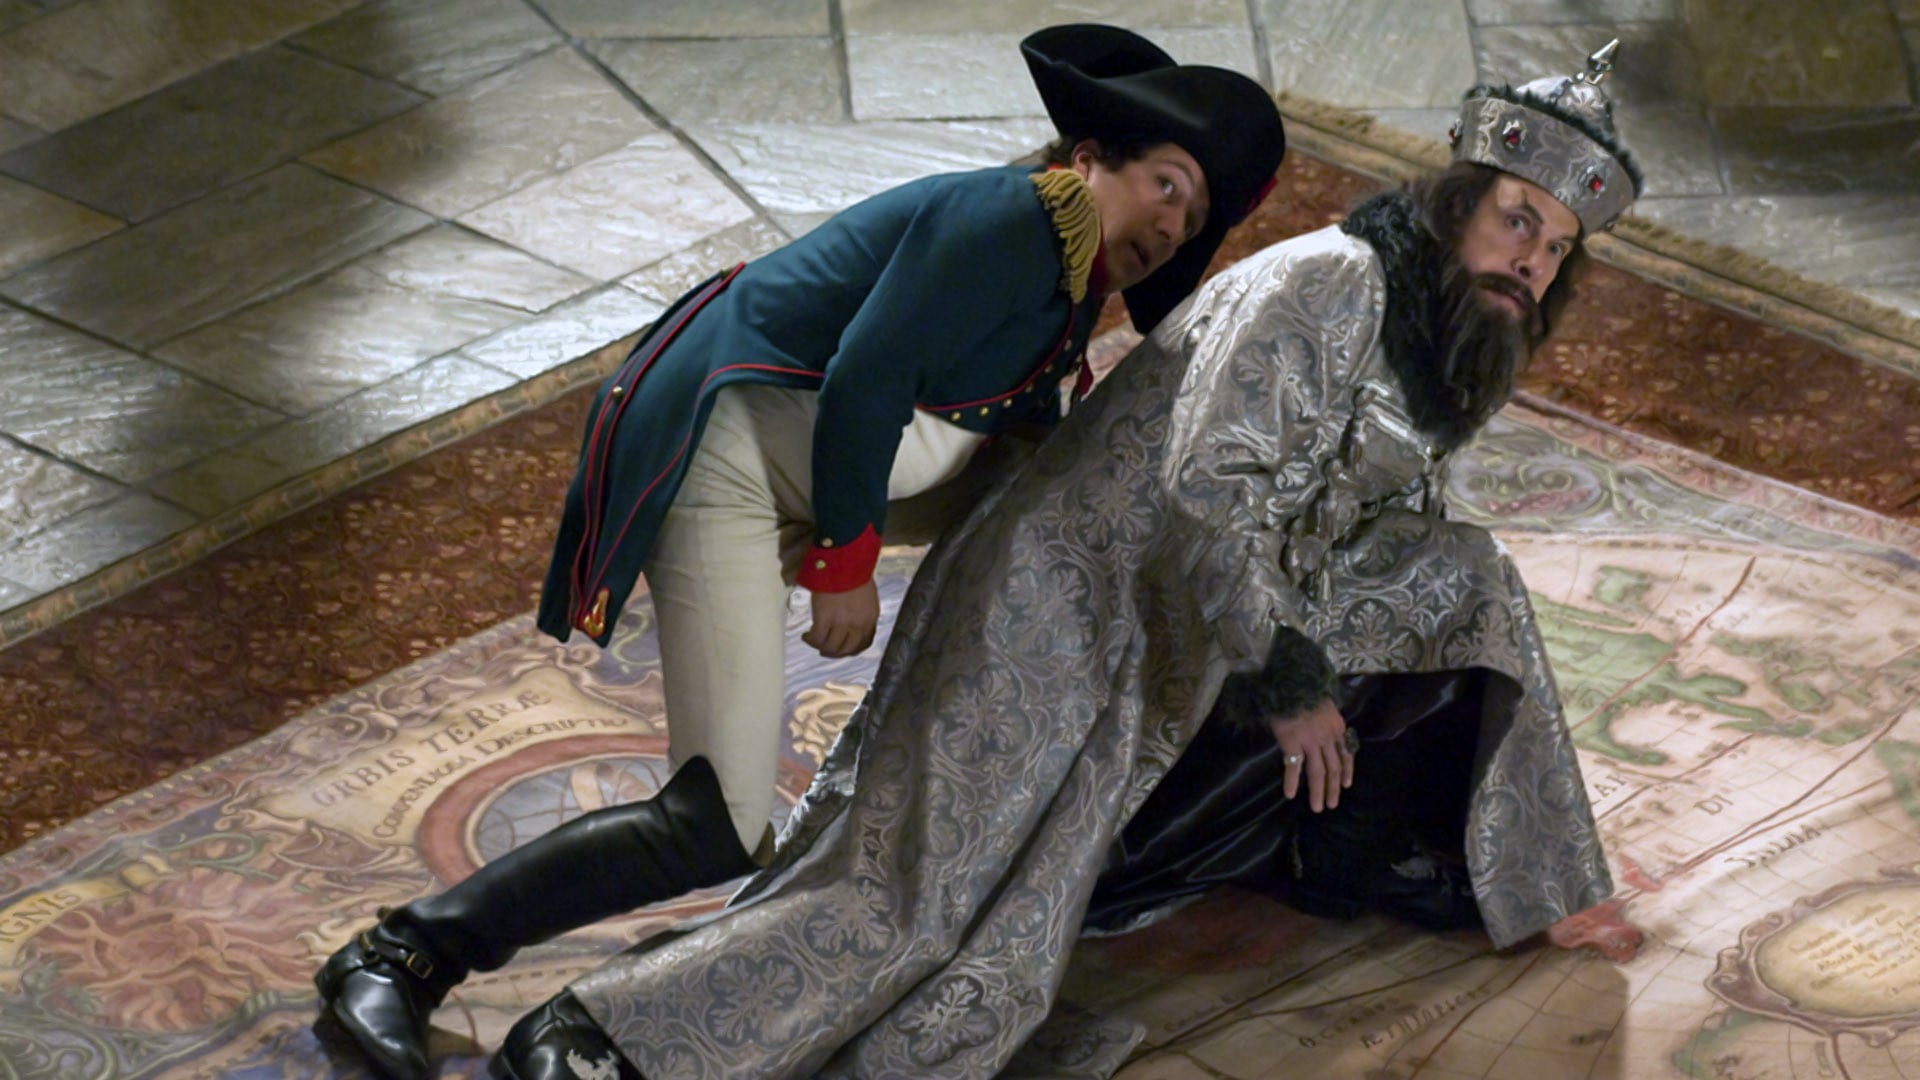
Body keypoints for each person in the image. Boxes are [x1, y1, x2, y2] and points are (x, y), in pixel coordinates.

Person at [480, 41, 1643, 1080]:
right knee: (909, 900)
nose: (1532, 262)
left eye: (1557, 250)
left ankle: (1374, 850)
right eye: (1517, 221)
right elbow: (1209, 490)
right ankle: (599, 1037)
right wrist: (1294, 684)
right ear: (1455, 204)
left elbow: (1357, 512)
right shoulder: (1333, 278)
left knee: (1464, 575)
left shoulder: (1443, 344)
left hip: (1164, 627)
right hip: (1053, 601)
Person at [311, 24, 1287, 1080]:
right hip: (732, 458)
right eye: (1166, 184)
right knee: (716, 822)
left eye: (1195, 218)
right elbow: (870, 374)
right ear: (1089, 160)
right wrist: (844, 562)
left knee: (1029, 495)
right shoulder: (1010, 221)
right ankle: (402, 953)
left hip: (790, 464)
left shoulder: (1063, 284)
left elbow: (1010, 445)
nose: (1173, 224)